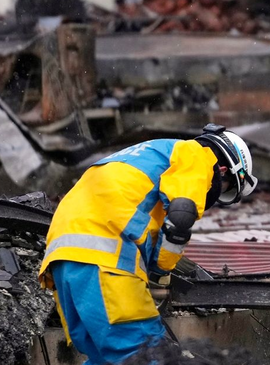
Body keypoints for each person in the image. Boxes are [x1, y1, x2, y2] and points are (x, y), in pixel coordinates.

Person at [39, 125, 258, 364]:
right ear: (224, 169)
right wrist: (160, 274)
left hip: (62, 262)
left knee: (106, 358)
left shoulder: (142, 155)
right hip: (106, 263)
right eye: (226, 189)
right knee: (147, 356)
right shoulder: (196, 155)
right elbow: (181, 215)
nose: (217, 194)